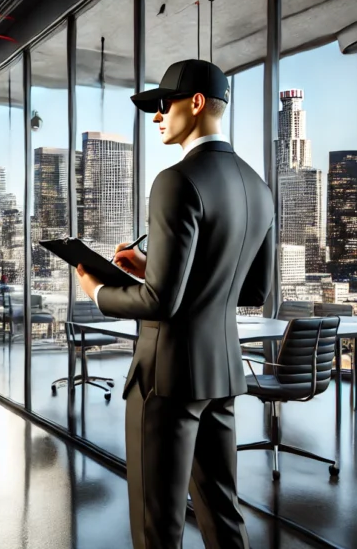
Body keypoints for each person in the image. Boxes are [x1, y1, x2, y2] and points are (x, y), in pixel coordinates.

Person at [76, 59, 274, 549]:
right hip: (222, 372)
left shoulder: (175, 181)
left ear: (197, 103)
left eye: (163, 105)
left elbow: (159, 303)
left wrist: (97, 290)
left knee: (157, 525)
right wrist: (153, 268)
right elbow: (252, 292)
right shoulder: (260, 189)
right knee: (222, 514)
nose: (157, 116)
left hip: (165, 379)